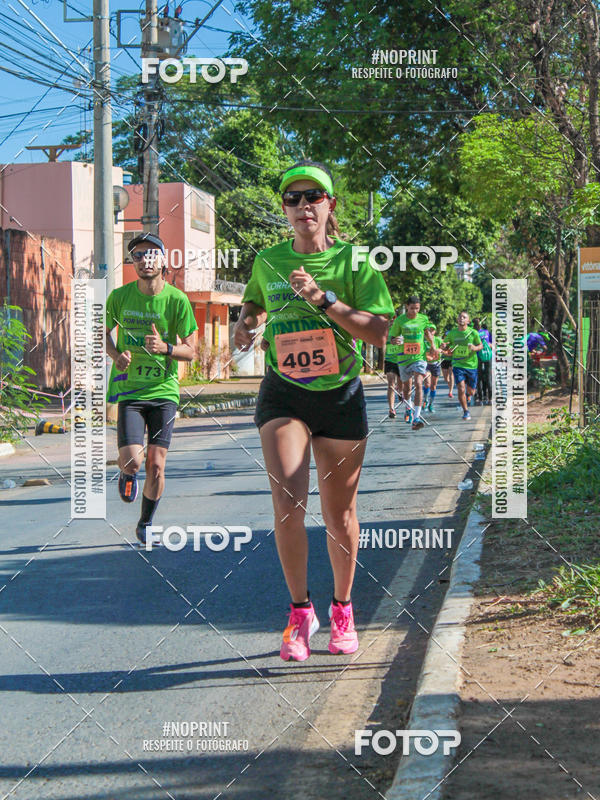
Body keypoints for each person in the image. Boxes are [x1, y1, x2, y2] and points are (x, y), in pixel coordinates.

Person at [233, 160, 394, 662]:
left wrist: (324, 300)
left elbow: (378, 332)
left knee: (339, 515)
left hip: (340, 394)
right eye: (293, 198)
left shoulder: (356, 262)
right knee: (288, 503)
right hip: (284, 392)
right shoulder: (268, 261)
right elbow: (254, 305)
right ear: (285, 208)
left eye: (313, 197)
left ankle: (342, 608)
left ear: (329, 205)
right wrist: (246, 324)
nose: (303, 206)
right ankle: (300, 612)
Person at [106, 233, 197, 544]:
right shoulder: (119, 297)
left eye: (151, 254)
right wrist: (116, 356)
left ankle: (145, 522)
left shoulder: (177, 300)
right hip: (130, 391)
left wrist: (166, 348)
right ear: (132, 262)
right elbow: (101, 332)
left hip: (163, 391)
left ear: (163, 260)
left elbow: (191, 351)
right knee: (133, 461)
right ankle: (127, 473)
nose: (145, 260)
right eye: (138, 255)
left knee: (156, 465)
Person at [389, 296, 436, 430]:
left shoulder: (423, 319)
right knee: (407, 388)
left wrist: (432, 345)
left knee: (419, 384)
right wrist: (395, 341)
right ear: (407, 307)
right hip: (404, 358)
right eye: (412, 308)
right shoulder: (400, 320)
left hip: (419, 357)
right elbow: (392, 338)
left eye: (417, 308)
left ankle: (416, 417)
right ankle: (408, 407)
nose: (414, 311)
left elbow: (427, 333)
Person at [442, 311, 483, 420]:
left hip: (471, 365)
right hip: (458, 364)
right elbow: (446, 345)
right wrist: (444, 345)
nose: (461, 318)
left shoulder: (473, 332)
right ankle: (466, 411)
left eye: (464, 317)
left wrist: (475, 348)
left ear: (468, 321)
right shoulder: (452, 333)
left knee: (471, 391)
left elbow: (480, 345)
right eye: (460, 317)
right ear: (457, 320)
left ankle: (468, 395)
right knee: (461, 388)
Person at [384, 315, 403, 418]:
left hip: (401, 360)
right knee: (391, 384)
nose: (391, 320)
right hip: (389, 360)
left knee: (401, 383)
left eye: (393, 318)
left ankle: (400, 391)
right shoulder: (385, 331)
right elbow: (380, 342)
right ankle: (391, 409)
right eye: (389, 318)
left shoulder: (402, 329)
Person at [422, 324, 443, 413]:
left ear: (435, 331)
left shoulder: (437, 340)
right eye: (429, 330)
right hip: (426, 364)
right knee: (427, 383)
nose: (430, 331)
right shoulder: (422, 339)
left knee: (433, 386)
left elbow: (444, 348)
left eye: (432, 330)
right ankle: (425, 400)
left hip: (435, 364)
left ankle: (431, 404)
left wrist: (440, 350)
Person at [472, 317, 492, 406]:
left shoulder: (473, 333)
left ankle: (480, 399)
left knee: (479, 378)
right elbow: (492, 343)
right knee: (487, 377)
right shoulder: (486, 332)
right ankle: (489, 399)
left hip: (478, 356)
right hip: (487, 356)